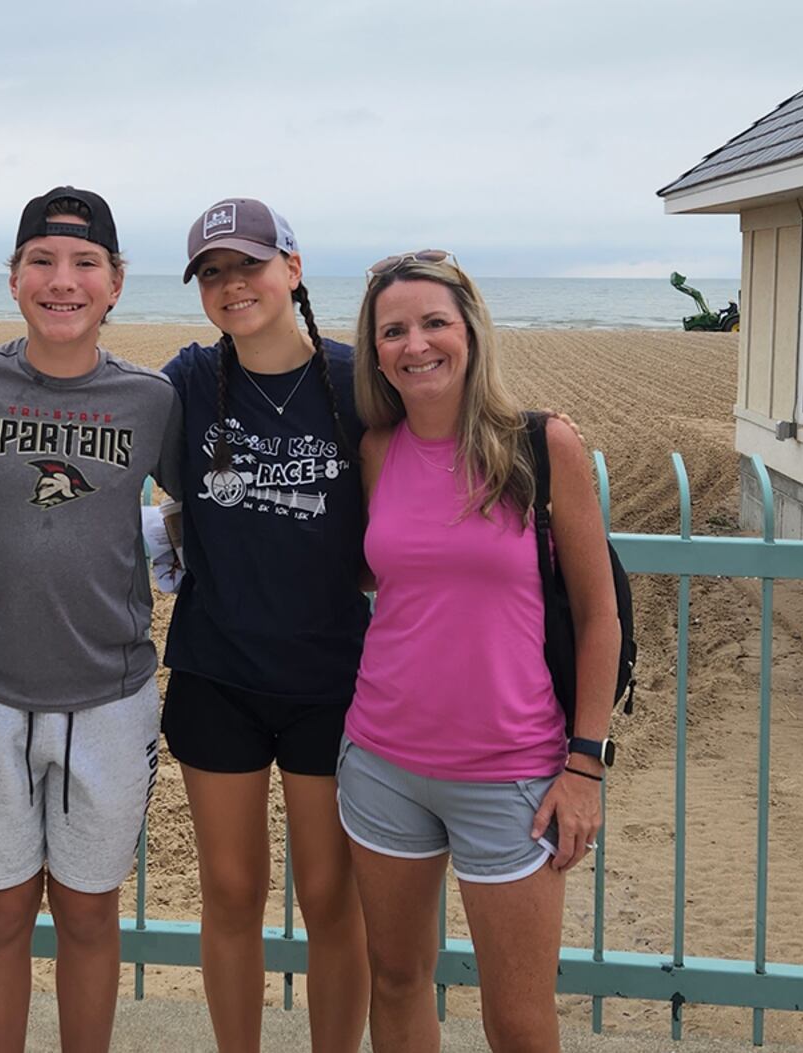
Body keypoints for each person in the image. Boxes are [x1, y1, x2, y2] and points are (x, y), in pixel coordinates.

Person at [340, 251, 619, 1052]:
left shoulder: (542, 445)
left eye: (434, 322)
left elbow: (600, 617)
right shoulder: (378, 451)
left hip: (516, 776)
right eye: (393, 330)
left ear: (470, 331)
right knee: (394, 982)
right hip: (382, 763)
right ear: (377, 350)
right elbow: (381, 571)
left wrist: (585, 767)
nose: (415, 343)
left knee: (521, 1020)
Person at [0, 186, 182, 1053]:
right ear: (13, 279)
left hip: (110, 696)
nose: (62, 280)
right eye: (42, 260)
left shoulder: (151, 400)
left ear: (115, 282)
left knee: (87, 911)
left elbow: (197, 505)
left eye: (84, 264)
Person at [158, 198, 370, 1052]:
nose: (232, 284)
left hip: (333, 679)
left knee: (329, 897)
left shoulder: (362, 382)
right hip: (219, 673)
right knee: (233, 891)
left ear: (292, 267)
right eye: (212, 272)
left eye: (248, 264)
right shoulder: (184, 383)